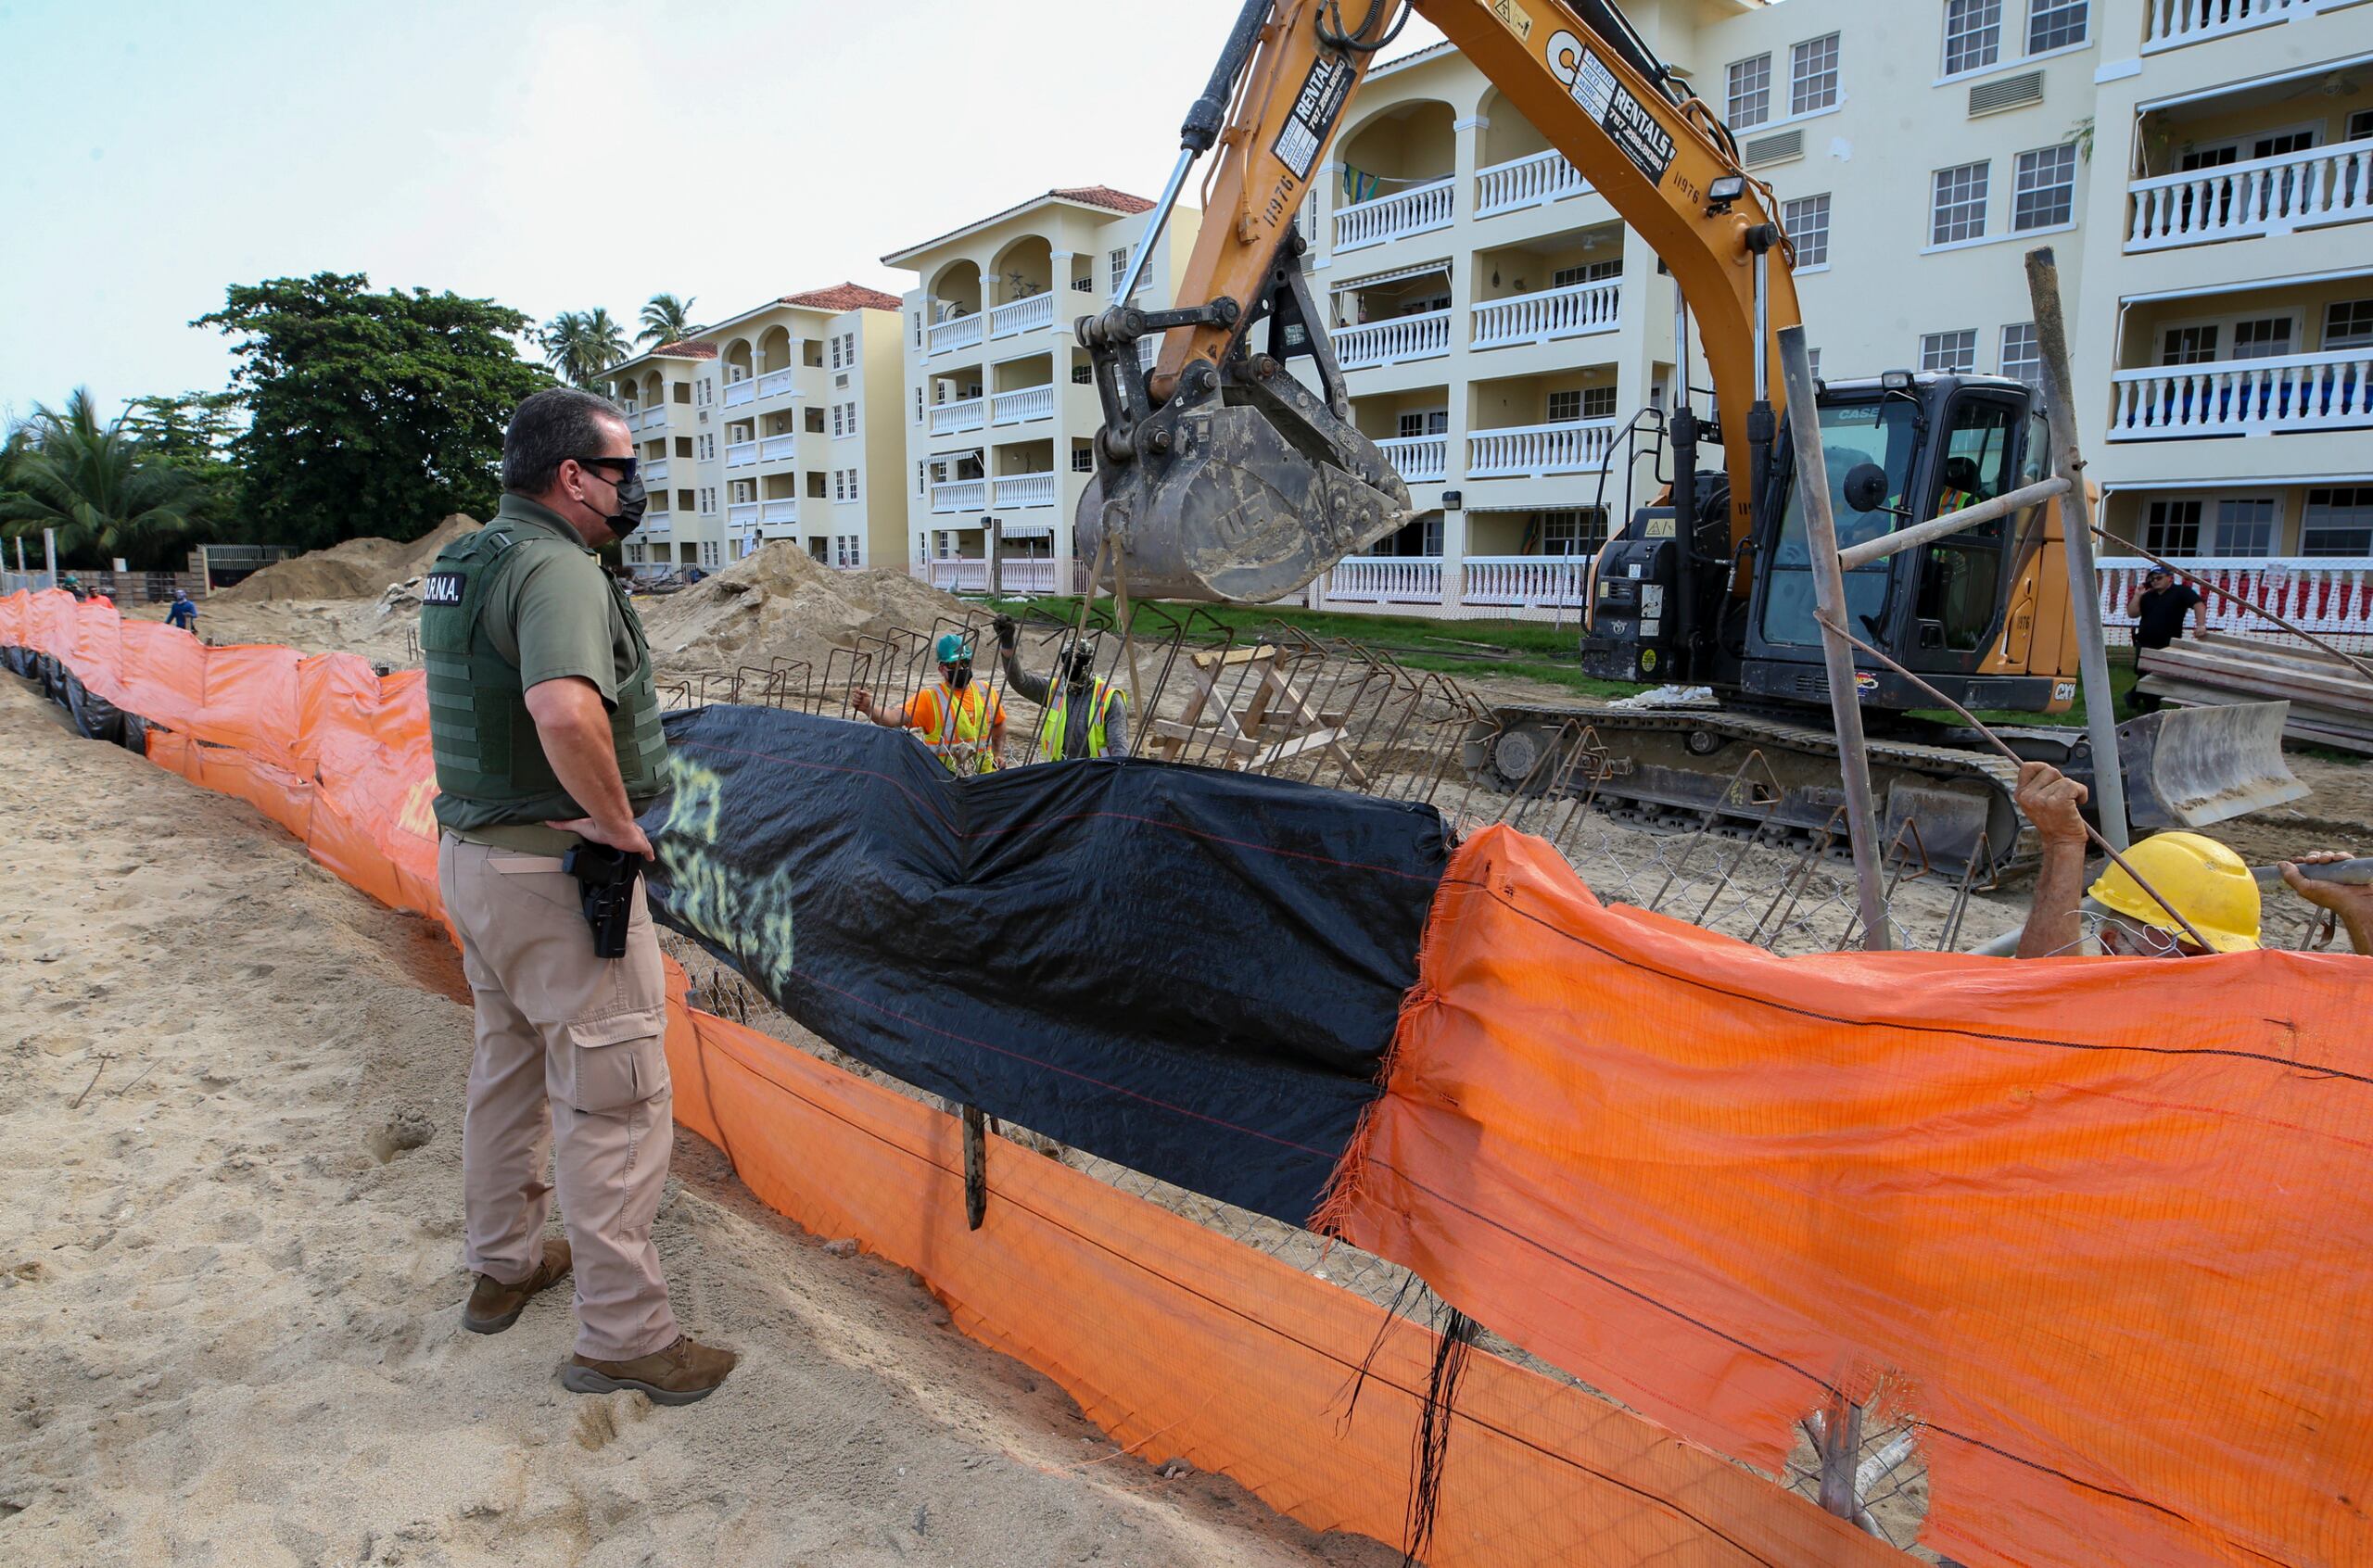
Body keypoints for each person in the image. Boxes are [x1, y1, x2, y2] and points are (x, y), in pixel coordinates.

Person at [422, 386, 736, 1405]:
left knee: (506, 1073)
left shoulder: (469, 561)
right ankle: (625, 1338)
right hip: (554, 880)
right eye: (621, 469)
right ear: (571, 477)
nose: (631, 487)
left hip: (476, 862)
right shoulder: (558, 570)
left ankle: (502, 1266)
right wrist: (616, 823)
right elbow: (561, 708)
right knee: (615, 1102)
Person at [2011, 760, 2371, 958]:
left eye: (2218, 953)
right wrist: (2063, 844)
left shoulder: (2243, 1001)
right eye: (2183, 952)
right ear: (2111, 944)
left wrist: (2359, 910)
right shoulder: (2107, 1010)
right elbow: (2042, 990)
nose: (2205, 967)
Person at [851, 631, 1007, 775]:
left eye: (965, 662)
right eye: (954, 665)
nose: (962, 668)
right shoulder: (930, 699)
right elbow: (893, 718)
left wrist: (998, 753)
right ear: (942, 669)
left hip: (985, 779)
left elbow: (999, 724)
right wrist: (869, 708)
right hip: (948, 783)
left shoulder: (986, 691)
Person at [992, 614, 1129, 762]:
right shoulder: (1055, 689)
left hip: (1095, 776)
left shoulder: (1109, 699)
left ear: (1089, 663)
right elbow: (1020, 682)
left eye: (1080, 660)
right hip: (1060, 772)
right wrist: (1007, 644)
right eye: (1068, 660)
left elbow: (1119, 749)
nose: (1073, 665)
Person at [2125, 567, 2206, 715]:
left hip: (2168, 642)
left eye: (2159, 578)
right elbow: (2132, 613)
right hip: (2145, 640)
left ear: (2170, 578)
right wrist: (2137, 596)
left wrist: (2201, 625)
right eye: (2152, 579)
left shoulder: (2181, 592)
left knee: (2161, 674)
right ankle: (2149, 705)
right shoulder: (2148, 596)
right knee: (2145, 673)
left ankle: (2134, 697)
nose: (2155, 582)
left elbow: (2198, 605)